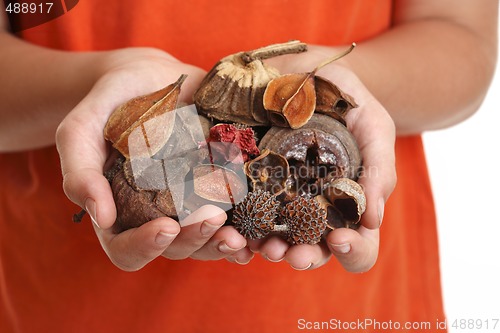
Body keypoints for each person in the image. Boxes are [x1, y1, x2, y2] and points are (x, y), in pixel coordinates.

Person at [0, 1, 497, 332]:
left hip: (352, 308)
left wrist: (334, 83)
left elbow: (464, 40)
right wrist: (93, 82)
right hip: (65, 302)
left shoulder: (276, 156)